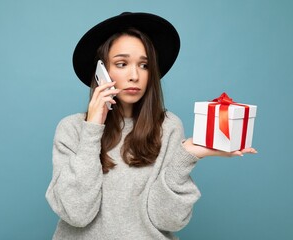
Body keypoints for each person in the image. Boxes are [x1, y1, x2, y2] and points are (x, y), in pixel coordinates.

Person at [45, 12, 257, 240]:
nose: (134, 75)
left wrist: (187, 155)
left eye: (144, 65)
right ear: (101, 72)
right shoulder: (72, 129)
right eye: (121, 63)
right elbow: (76, 213)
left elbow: (168, 219)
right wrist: (93, 128)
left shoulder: (168, 127)